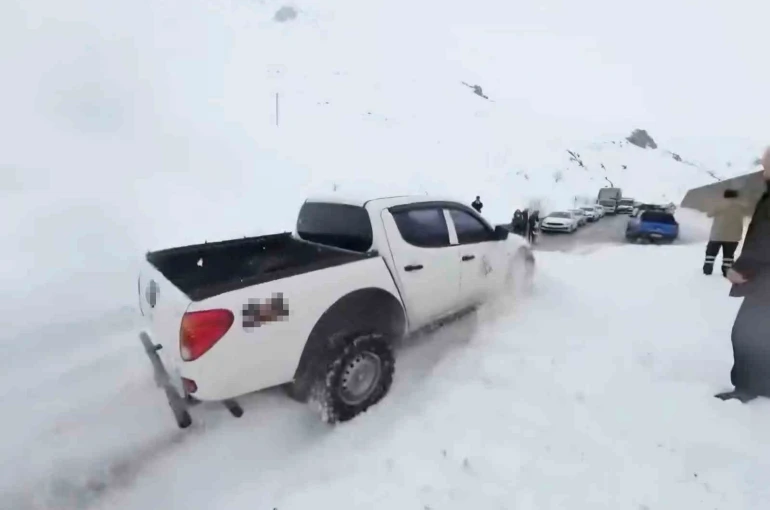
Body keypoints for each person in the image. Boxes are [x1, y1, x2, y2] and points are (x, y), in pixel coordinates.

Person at [717, 148, 770, 403]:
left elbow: (765, 240)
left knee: (746, 333)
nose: (763, 169)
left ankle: (747, 388)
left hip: (765, 281)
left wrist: (741, 268)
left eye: (766, 164)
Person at [704, 189, 748, 276]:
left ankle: (707, 269)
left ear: (725, 195)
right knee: (729, 255)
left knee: (711, 254)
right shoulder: (741, 206)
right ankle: (726, 271)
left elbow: (709, 214)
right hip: (734, 236)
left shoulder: (719, 204)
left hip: (717, 234)